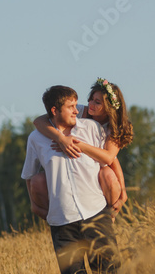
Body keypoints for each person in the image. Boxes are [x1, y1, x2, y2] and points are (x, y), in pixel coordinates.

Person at [22, 85, 121, 274]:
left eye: (77, 104)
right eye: (70, 107)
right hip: (62, 223)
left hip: (96, 214)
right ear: (54, 110)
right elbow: (30, 175)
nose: (77, 110)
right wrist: (36, 206)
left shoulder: (92, 128)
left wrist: (121, 187)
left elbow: (108, 160)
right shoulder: (36, 139)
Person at [29, 78, 134, 218]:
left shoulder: (115, 128)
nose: (90, 104)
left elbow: (110, 158)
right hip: (79, 166)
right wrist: (61, 139)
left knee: (107, 174)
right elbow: (39, 121)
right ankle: (57, 215)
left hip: (100, 168)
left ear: (109, 107)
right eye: (91, 99)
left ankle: (109, 216)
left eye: (97, 102)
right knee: (40, 179)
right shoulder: (81, 111)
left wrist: (76, 144)